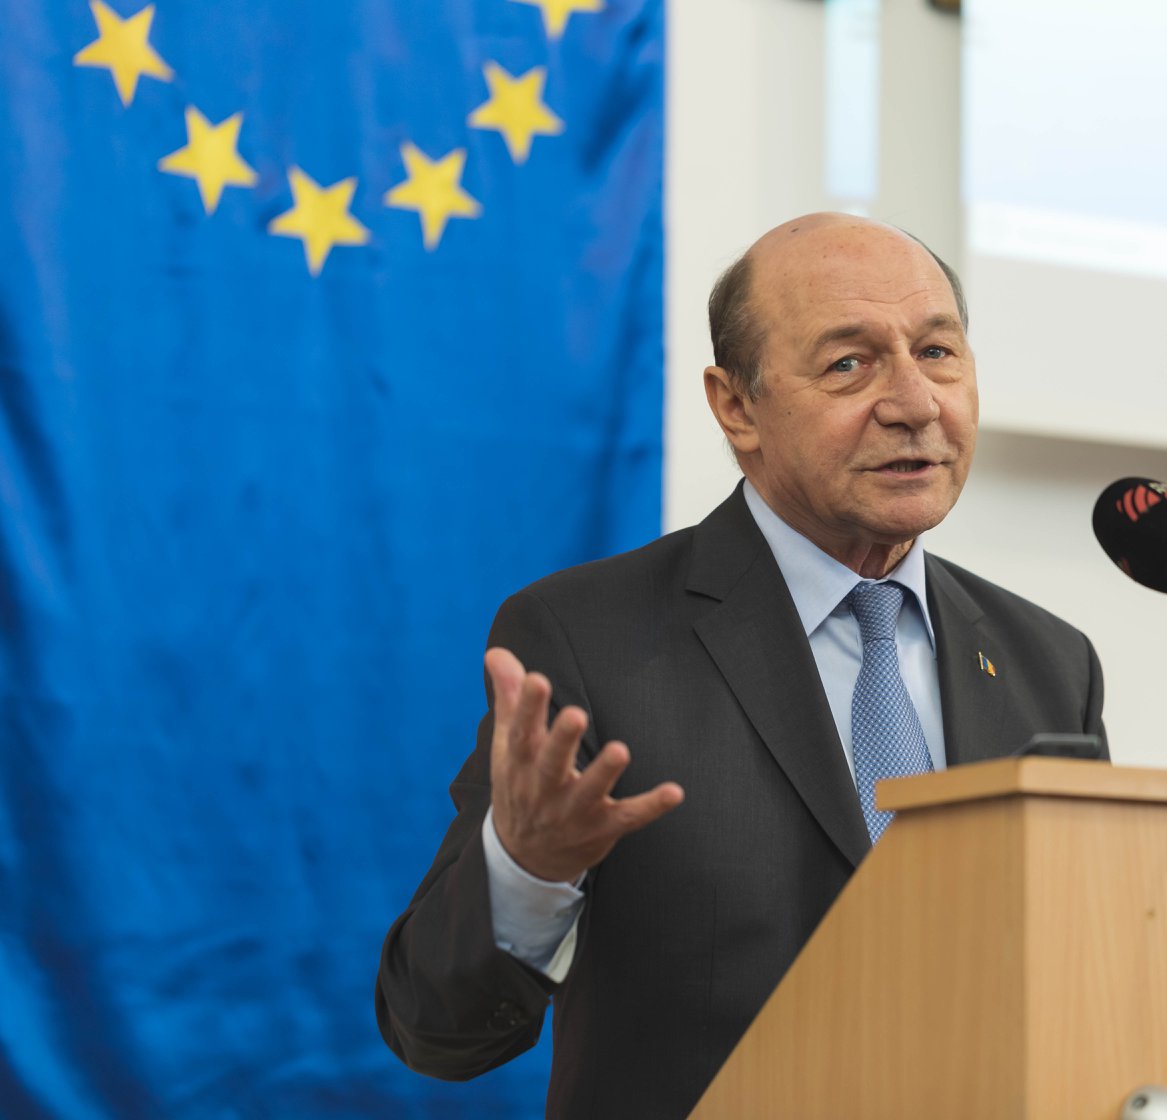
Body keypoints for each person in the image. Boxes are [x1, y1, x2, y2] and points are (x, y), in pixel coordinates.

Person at [375, 213, 1107, 1118]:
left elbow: (1088, 985)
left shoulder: (1050, 665)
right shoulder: (589, 639)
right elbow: (435, 1027)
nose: (916, 403)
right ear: (736, 407)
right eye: (850, 364)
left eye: (937, 353)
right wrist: (528, 873)